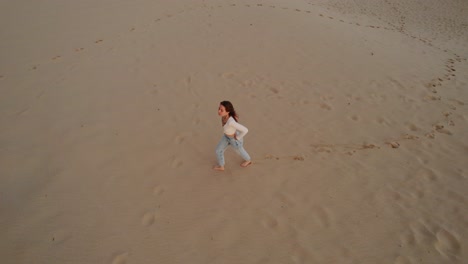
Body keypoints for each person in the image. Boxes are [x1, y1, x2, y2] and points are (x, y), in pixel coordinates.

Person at [213, 101, 252, 171]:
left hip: (234, 140)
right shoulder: (224, 116)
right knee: (218, 150)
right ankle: (221, 166)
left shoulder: (231, 122)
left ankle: (248, 161)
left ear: (228, 112)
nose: (219, 111)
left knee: (240, 152)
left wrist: (238, 137)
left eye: (221, 110)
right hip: (226, 137)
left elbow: (245, 130)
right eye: (219, 108)